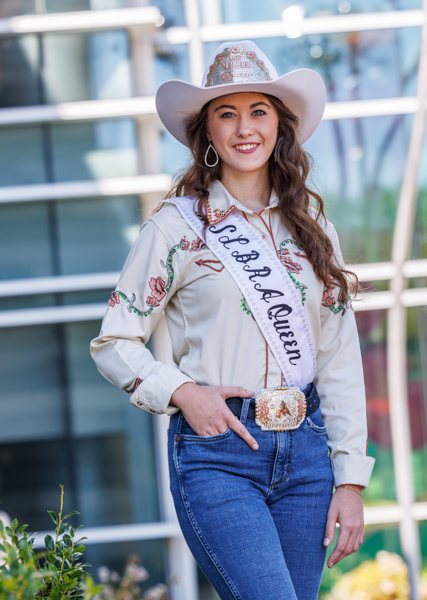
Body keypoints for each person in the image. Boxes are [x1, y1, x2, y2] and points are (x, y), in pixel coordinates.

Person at [90, 40, 374, 600]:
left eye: (259, 111)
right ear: (209, 135)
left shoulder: (314, 226)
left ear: (280, 127)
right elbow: (114, 340)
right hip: (219, 454)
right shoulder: (176, 228)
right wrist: (183, 393)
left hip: (308, 457)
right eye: (227, 113)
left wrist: (351, 480)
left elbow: (339, 357)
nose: (245, 128)